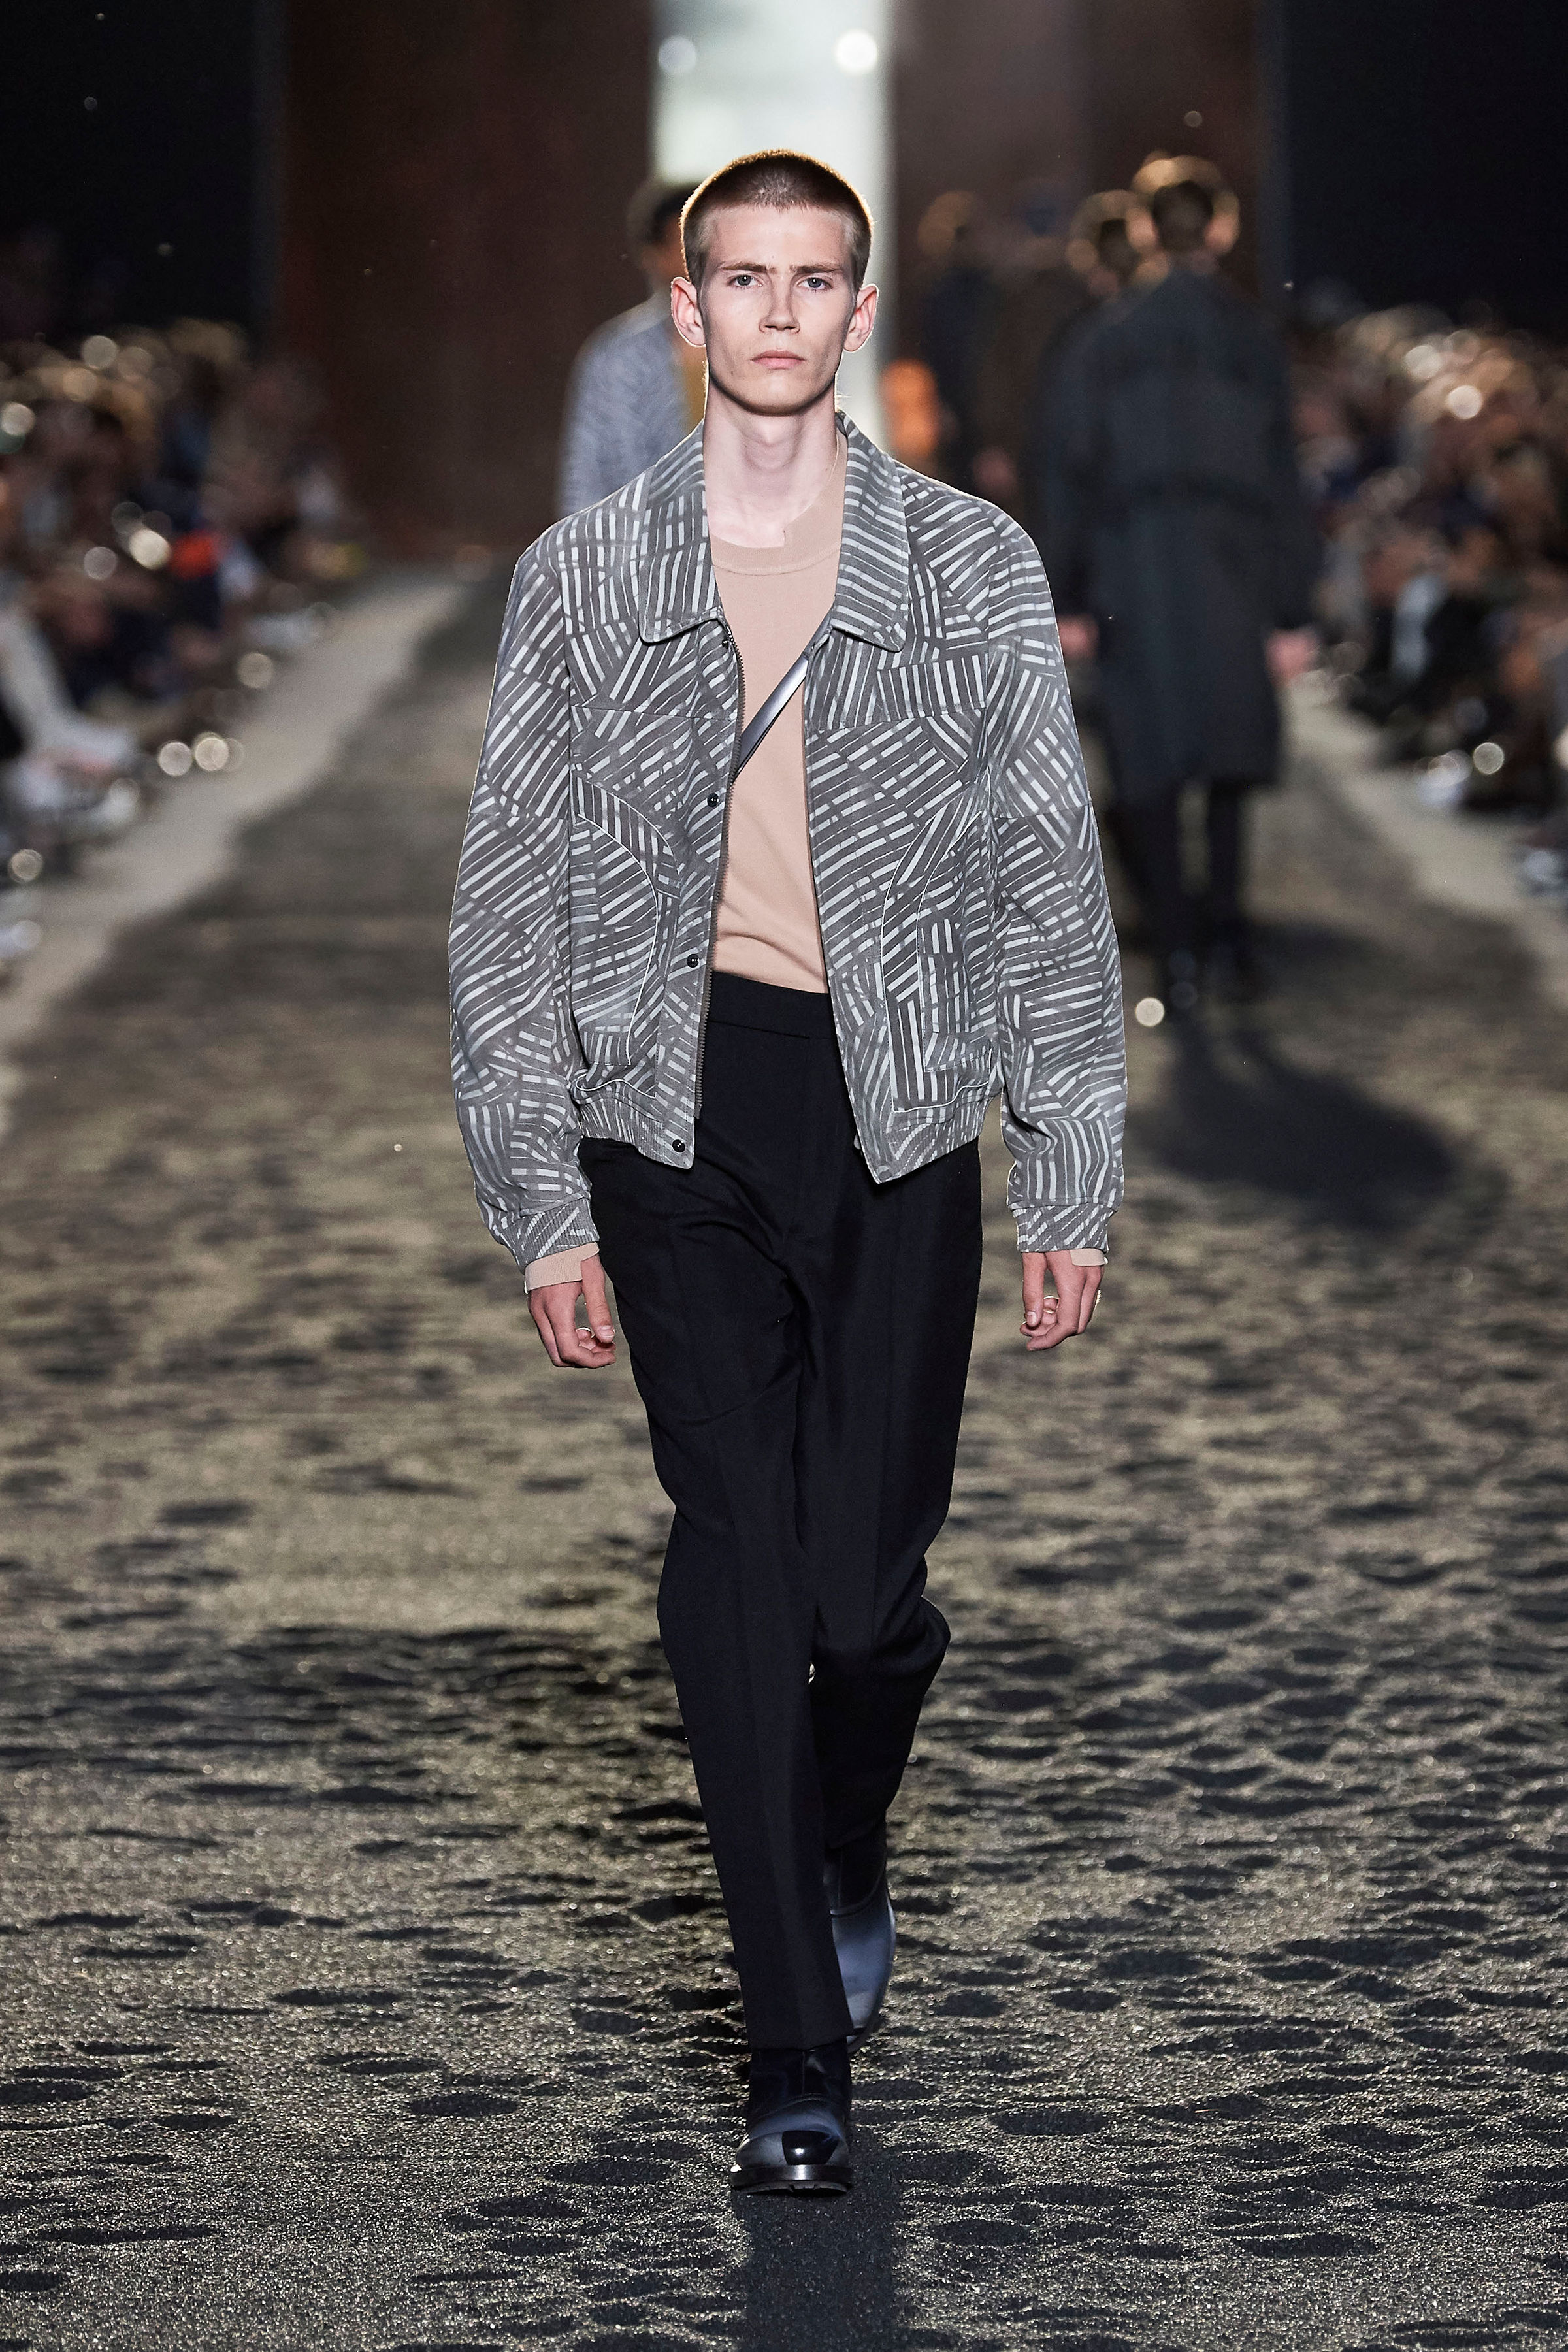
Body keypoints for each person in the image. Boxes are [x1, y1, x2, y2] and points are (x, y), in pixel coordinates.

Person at [450, 148, 1125, 2198]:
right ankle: (791, 2048)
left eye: (808, 280)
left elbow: (1043, 866)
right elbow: (508, 894)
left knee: (863, 1593)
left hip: (897, 1103)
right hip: (669, 1103)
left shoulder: (967, 565)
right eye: (735, 279)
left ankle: (841, 1820)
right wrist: (537, 1196)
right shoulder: (587, 574)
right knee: (736, 1550)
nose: (771, 312)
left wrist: (1068, 1162)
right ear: (684, 309)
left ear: (856, 312)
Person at [1045, 159, 1319, 1008]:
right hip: (1232, 559)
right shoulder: (1251, 339)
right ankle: (1228, 936)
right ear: (1223, 230)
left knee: (1150, 755)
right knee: (1227, 753)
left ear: (1143, 230)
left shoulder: (1104, 341)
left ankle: (1178, 953)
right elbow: (1283, 476)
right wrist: (1292, 606)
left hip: (1135, 562)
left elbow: (1067, 469)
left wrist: (1067, 593)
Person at [556, 178, 702, 515]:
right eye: (685, 246)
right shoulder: (617, 357)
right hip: (638, 541)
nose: (700, 258)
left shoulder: (766, 345)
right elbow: (586, 478)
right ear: (653, 256)